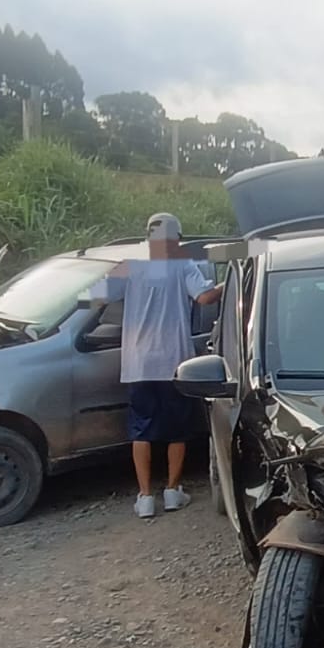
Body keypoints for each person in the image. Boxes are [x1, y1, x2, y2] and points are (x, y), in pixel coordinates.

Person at [90, 213, 224, 519]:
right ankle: (173, 492)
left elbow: (95, 298)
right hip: (173, 361)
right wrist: (230, 282)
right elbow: (204, 298)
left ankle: (145, 497)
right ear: (176, 238)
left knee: (142, 430)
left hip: (138, 363)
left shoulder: (130, 266)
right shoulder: (183, 265)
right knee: (177, 430)